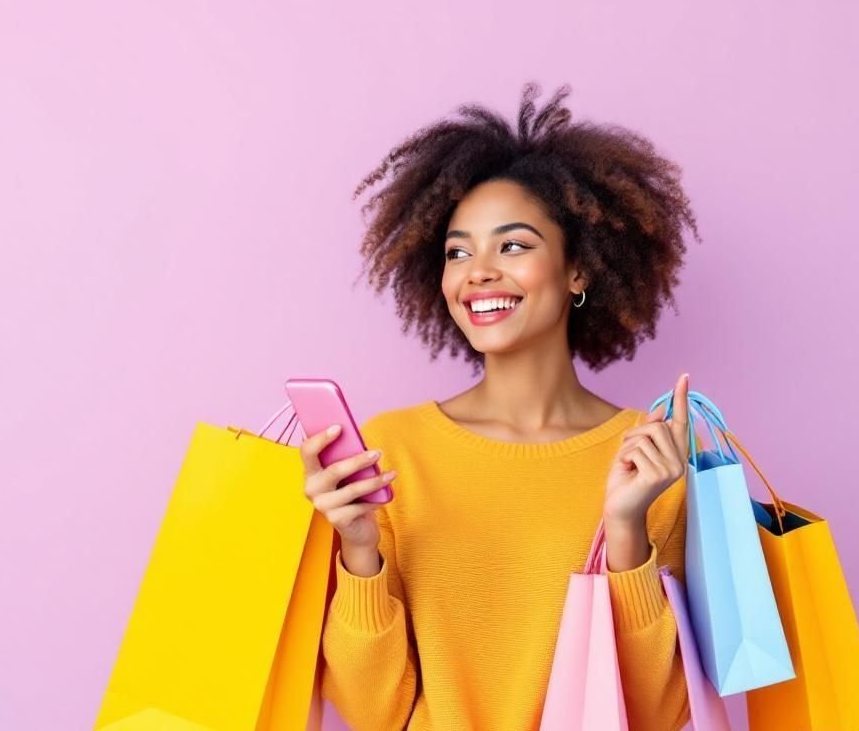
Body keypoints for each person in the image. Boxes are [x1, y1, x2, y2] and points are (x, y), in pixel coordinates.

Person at [301, 81, 702, 731]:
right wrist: (359, 549)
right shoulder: (393, 451)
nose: (478, 271)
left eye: (512, 245)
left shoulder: (652, 459)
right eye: (458, 251)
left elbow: (655, 715)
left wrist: (626, 530)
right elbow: (372, 713)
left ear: (578, 270)